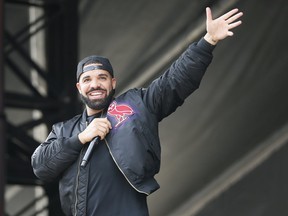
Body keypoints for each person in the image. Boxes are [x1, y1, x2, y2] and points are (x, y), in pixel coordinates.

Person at [31, 7, 243, 216]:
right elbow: (40, 166)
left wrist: (208, 42)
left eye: (102, 78)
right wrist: (80, 138)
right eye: (87, 80)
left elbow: (174, 82)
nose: (95, 84)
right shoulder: (64, 130)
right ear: (79, 88)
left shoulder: (136, 104)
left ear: (113, 83)